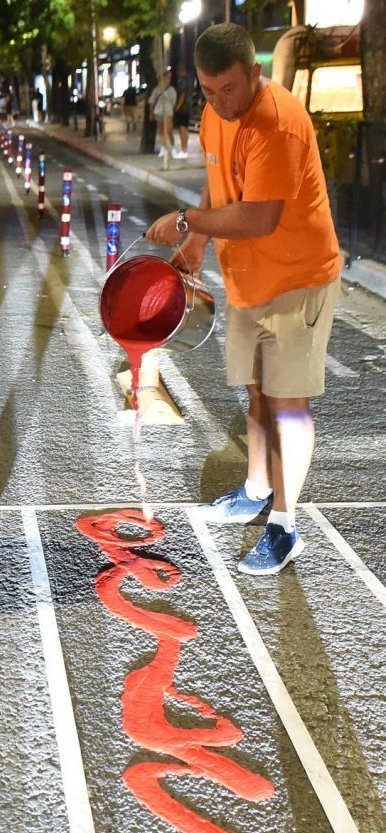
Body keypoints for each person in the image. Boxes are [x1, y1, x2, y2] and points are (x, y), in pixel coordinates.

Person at [145, 23, 341, 575]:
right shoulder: (214, 115)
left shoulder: (276, 124)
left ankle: (284, 526)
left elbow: (259, 216)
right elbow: (218, 184)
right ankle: (255, 488)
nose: (218, 102)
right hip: (249, 280)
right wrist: (197, 242)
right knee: (257, 391)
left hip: (297, 279)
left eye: (228, 89)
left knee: (288, 402)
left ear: (254, 73)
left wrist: (186, 219)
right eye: (207, 91)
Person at [148, 70, 177, 169]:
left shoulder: (171, 90)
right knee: (160, 131)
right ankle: (163, 148)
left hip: (168, 111)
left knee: (169, 130)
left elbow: (174, 101)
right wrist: (151, 113)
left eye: (169, 78)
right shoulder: (157, 89)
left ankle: (172, 148)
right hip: (159, 111)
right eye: (166, 77)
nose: (168, 79)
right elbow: (152, 101)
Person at [172, 75, 192, 157]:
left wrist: (178, 106)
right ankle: (183, 149)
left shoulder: (182, 83)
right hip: (186, 108)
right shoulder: (187, 81)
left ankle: (184, 150)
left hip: (183, 109)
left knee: (182, 128)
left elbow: (182, 95)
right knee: (183, 128)